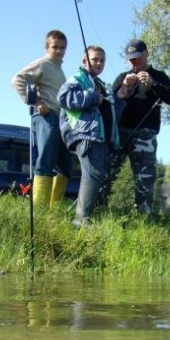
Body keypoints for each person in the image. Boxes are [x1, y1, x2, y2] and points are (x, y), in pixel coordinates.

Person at [57, 46, 125, 228]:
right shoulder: (78, 78)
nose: (99, 63)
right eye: (95, 59)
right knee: (92, 174)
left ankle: (84, 217)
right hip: (86, 134)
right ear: (84, 61)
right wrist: (93, 96)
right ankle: (81, 220)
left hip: (99, 137)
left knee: (96, 175)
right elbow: (64, 98)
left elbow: (109, 113)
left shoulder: (100, 83)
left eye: (102, 60)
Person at [110, 39, 170, 214]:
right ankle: (96, 208)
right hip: (121, 132)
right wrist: (125, 86)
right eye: (131, 59)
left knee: (145, 177)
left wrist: (153, 83)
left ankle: (143, 216)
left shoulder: (159, 75)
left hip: (146, 134)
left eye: (138, 57)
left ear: (146, 53)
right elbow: (111, 102)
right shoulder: (122, 77)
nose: (135, 61)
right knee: (107, 171)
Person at [11, 30, 73, 208]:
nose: (59, 51)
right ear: (47, 47)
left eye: (62, 48)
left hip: (60, 119)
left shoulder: (58, 69)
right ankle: (39, 210)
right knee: (46, 159)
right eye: (55, 47)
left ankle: (54, 209)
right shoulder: (43, 64)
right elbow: (17, 79)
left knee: (65, 164)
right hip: (46, 117)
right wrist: (35, 102)